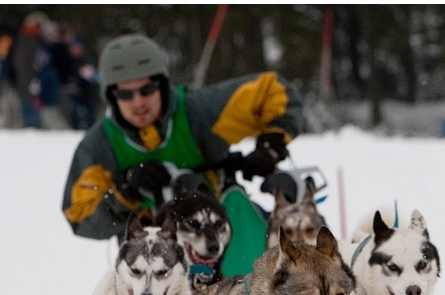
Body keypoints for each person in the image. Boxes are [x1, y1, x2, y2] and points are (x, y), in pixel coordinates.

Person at [62, 33, 302, 276]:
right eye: (125, 94)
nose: (138, 102)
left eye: (147, 89)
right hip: (155, 254)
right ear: (111, 96)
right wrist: (126, 194)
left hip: (223, 230)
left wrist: (271, 144)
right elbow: (79, 216)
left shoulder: (197, 111)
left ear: (162, 85)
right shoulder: (99, 146)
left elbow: (275, 91)